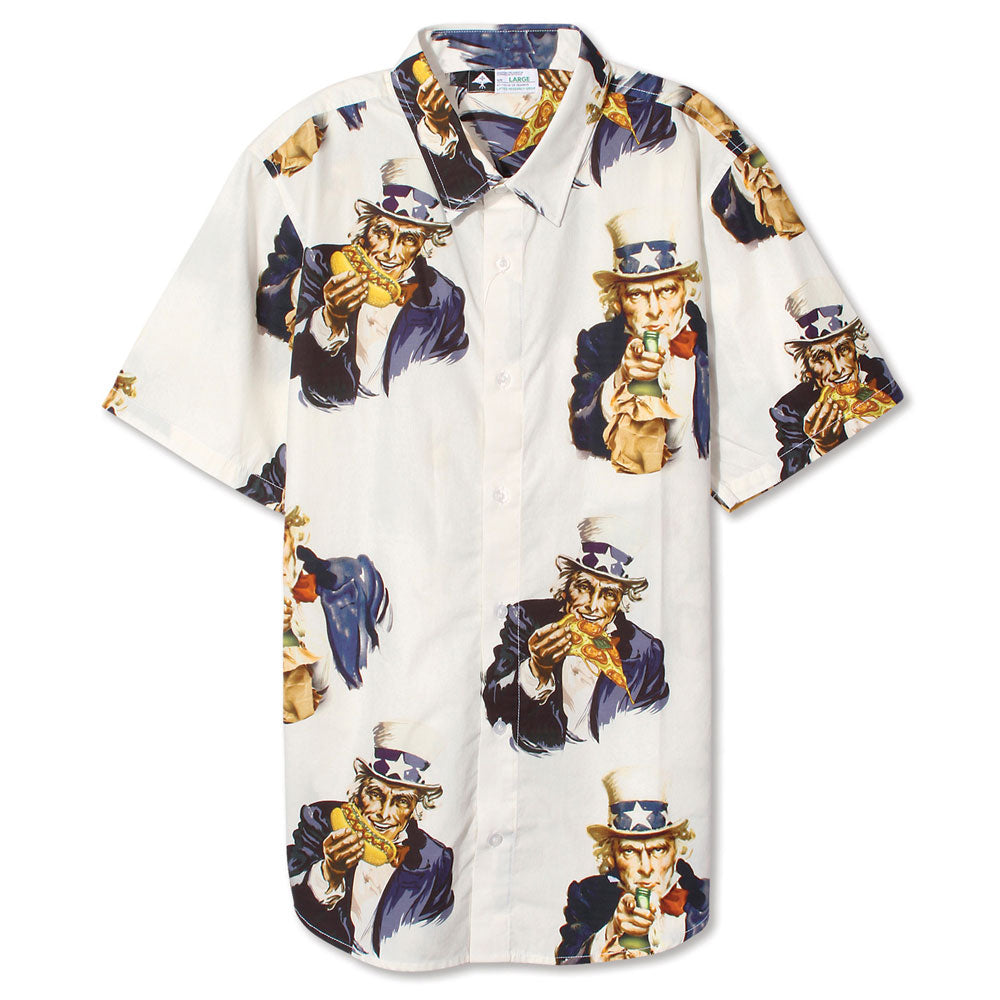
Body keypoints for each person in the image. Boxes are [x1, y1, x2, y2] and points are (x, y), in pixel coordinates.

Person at [288, 156, 469, 408]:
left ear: (423, 245)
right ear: (365, 228)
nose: (390, 252)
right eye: (383, 232)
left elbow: (455, 384)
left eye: (408, 239)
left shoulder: (445, 297)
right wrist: (330, 319)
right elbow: (291, 363)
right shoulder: (320, 263)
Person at [483, 517, 668, 753]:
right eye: (584, 587)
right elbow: (494, 703)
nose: (592, 605)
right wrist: (536, 669)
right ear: (565, 587)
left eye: (608, 594)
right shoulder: (526, 619)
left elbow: (655, 727)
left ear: (620, 602)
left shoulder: (645, 650)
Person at [286, 722, 454, 957]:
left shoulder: (435, 860)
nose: (384, 814)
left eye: (401, 801)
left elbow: (438, 932)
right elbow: (287, 885)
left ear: (415, 808)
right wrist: (327, 873)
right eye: (376, 794)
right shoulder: (319, 820)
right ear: (358, 791)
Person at [570, 210, 709, 473]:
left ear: (685, 291)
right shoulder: (598, 343)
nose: (654, 310)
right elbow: (581, 429)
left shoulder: (707, 334)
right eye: (637, 295)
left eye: (667, 290)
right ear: (617, 302)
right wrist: (620, 378)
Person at [557, 766, 709, 962]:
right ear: (611, 856)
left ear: (676, 850)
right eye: (629, 851)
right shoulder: (588, 898)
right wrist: (610, 933)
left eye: (658, 850)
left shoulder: (706, 897)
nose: (645, 868)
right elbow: (566, 962)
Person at [770, 277, 902, 479]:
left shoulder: (884, 372)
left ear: (856, 348)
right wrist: (822, 449)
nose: (839, 369)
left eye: (843, 349)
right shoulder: (791, 409)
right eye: (821, 357)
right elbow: (791, 474)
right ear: (807, 367)